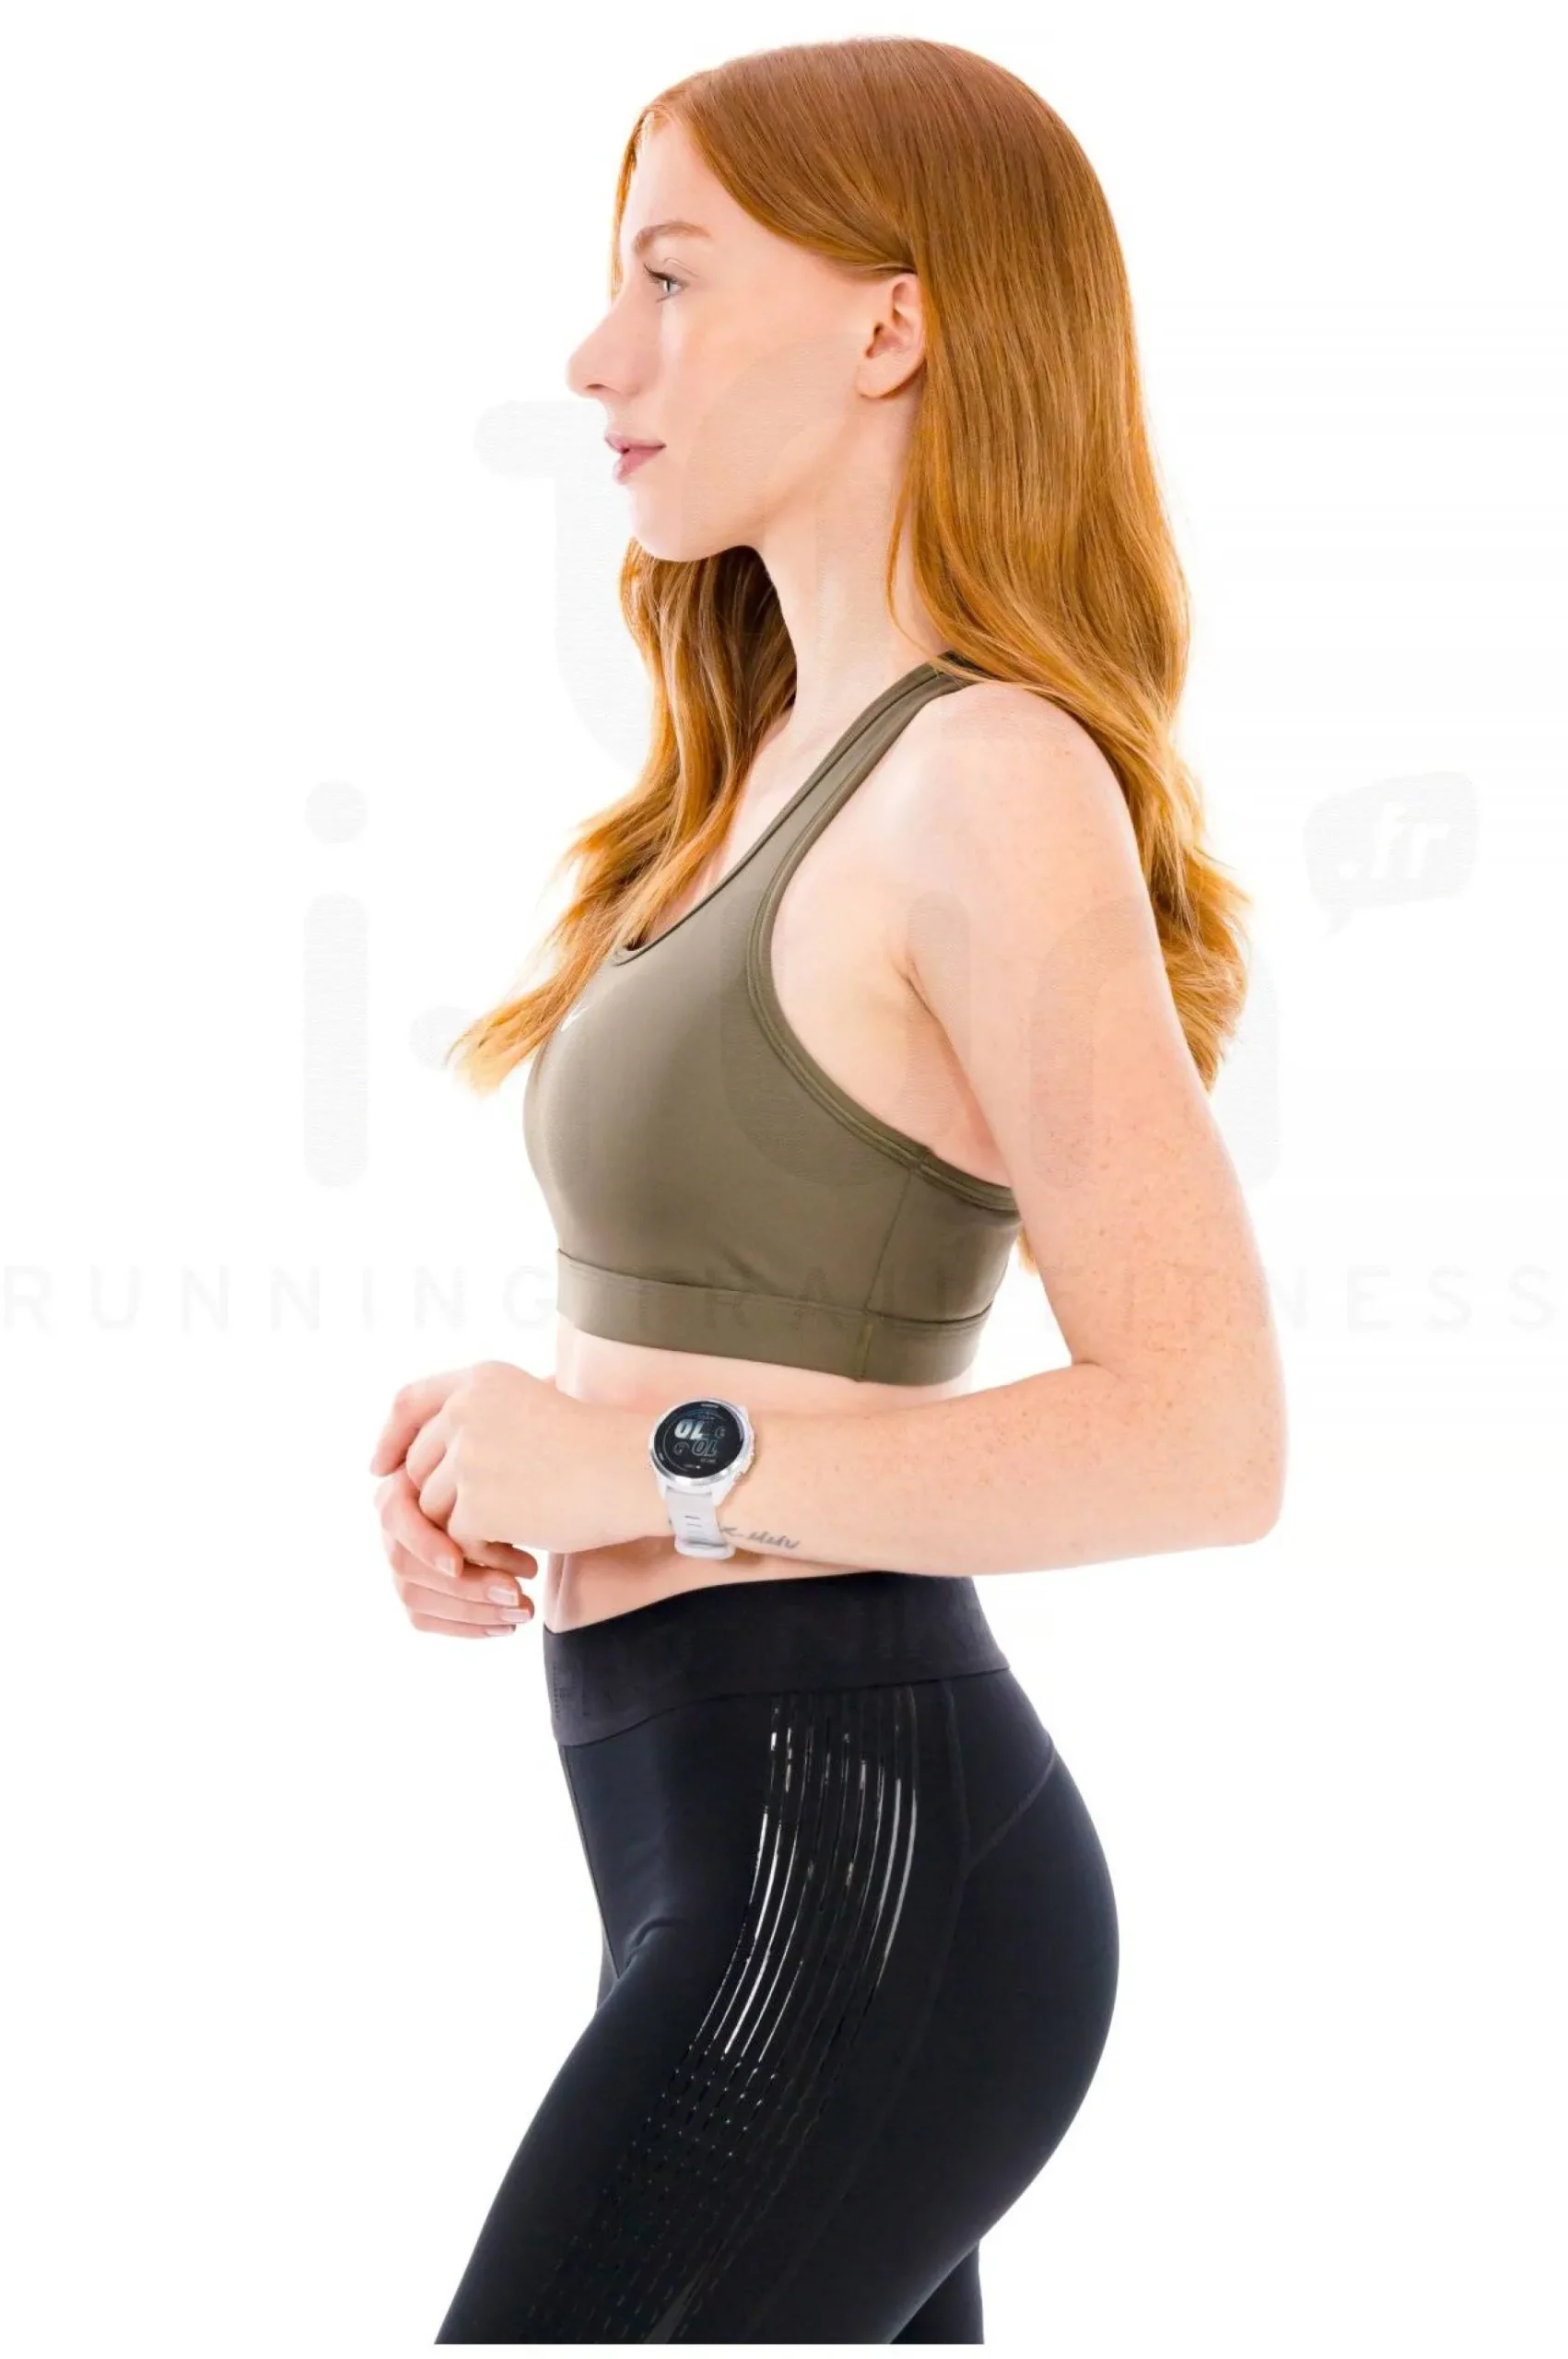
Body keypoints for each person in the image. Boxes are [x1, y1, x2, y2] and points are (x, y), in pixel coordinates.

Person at [368, 35, 1285, 2343]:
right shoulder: (764, 764)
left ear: (890, 326)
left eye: (670, 278)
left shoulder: (987, 775)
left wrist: (642, 1467)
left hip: (854, 1860)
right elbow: (721, 1311)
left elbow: (1204, 1436)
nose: (596, 355)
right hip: (729, 1832)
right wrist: (500, 1457)